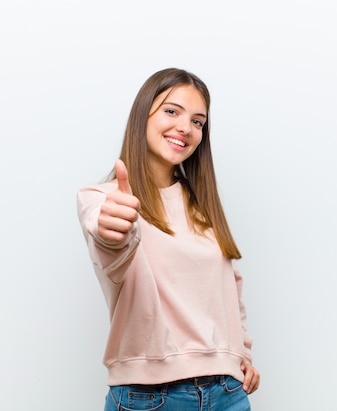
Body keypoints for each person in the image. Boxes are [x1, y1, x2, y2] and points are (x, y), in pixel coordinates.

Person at [77, 67, 260, 411]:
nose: (185, 128)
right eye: (172, 111)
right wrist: (114, 228)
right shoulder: (102, 199)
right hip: (150, 398)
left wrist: (241, 354)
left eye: (198, 121)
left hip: (228, 393)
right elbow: (114, 246)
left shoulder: (203, 208)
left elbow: (229, 290)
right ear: (142, 114)